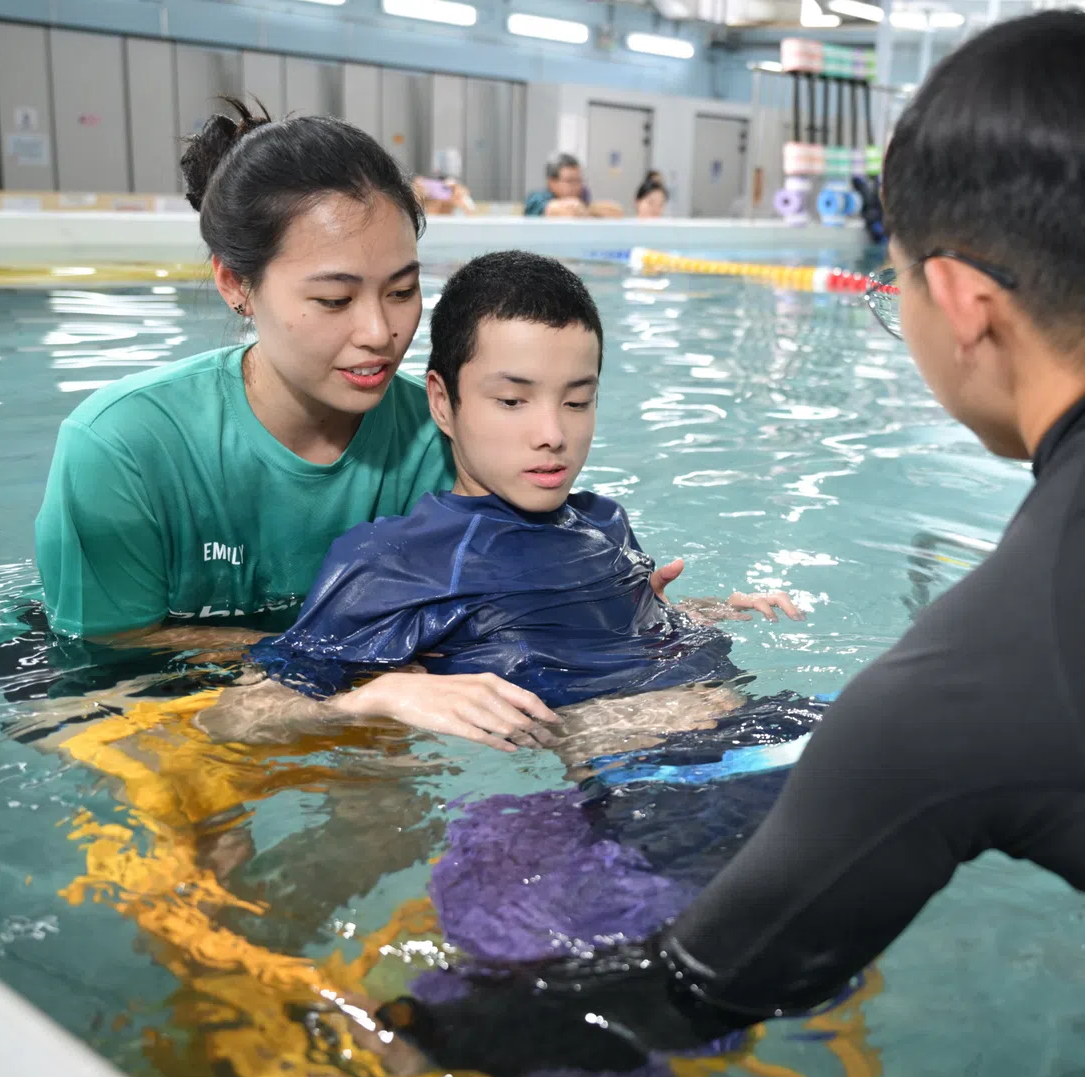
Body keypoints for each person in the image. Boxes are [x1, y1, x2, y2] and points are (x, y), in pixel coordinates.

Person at [356, 11, 1085, 1077]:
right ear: (450, 403)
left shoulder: (972, 679)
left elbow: (700, 987)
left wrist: (388, 1039)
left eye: (892, 295)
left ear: (963, 304)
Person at [33, 101, 683, 749]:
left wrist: (613, 613)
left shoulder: (453, 435)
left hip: (358, 690)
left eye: (401, 291)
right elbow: (108, 665)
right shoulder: (124, 448)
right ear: (235, 284)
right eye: (334, 300)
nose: (381, 333)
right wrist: (347, 674)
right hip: (143, 705)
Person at [195, 252, 802, 749]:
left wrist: (707, 611)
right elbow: (240, 712)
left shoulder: (603, 523)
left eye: (576, 400)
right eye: (512, 401)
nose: (552, 433)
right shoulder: (397, 563)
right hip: (647, 783)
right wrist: (378, 696)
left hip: (762, 721)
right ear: (442, 403)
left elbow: (574, 627)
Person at [523, 153, 624, 219]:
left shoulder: (582, 197)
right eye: (570, 181)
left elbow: (617, 211)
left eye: (579, 180)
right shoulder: (536, 199)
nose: (576, 186)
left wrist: (586, 209)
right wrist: (589, 211)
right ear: (552, 182)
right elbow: (558, 210)